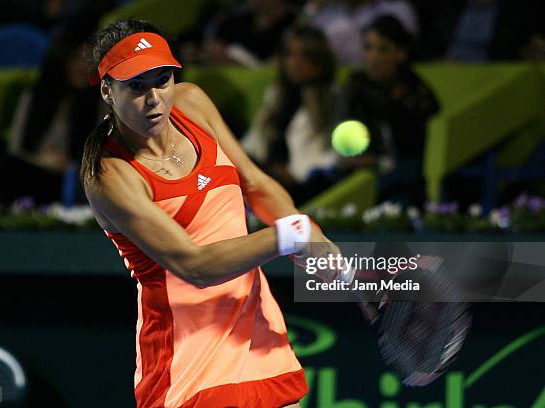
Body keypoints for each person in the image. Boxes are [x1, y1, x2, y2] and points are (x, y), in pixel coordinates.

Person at [81, 19, 343, 407]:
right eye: (136, 86)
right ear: (107, 90)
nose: (154, 98)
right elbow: (195, 265)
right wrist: (288, 236)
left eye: (162, 80)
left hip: (256, 332)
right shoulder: (110, 174)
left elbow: (254, 182)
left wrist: (310, 234)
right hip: (186, 358)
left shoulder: (191, 103)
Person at [0, 16, 100, 205]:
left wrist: (67, 165)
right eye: (77, 58)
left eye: (90, 59)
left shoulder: (100, 101)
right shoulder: (35, 96)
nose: (84, 66)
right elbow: (16, 147)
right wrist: (41, 161)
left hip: (69, 180)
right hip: (31, 167)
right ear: (61, 59)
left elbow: (102, 157)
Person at [242, 24, 361, 206]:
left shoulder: (332, 97)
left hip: (304, 184)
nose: (295, 62)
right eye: (290, 54)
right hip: (266, 175)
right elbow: (254, 142)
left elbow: (331, 156)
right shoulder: (277, 93)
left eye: (304, 56)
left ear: (320, 61)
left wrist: (291, 172)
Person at [344, 14, 439, 206]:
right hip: (362, 171)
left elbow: (419, 151)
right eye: (368, 48)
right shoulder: (356, 85)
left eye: (383, 49)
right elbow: (347, 128)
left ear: (401, 53)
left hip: (406, 176)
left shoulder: (416, 91)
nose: (373, 57)